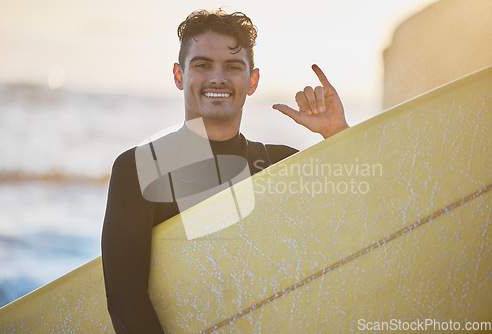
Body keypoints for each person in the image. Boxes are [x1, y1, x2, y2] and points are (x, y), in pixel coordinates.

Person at [101, 9, 349, 334]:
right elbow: (125, 299)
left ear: (252, 81)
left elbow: (362, 220)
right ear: (179, 75)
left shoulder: (280, 166)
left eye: (232, 67)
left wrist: (338, 133)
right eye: (202, 65)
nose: (217, 77)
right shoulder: (139, 170)